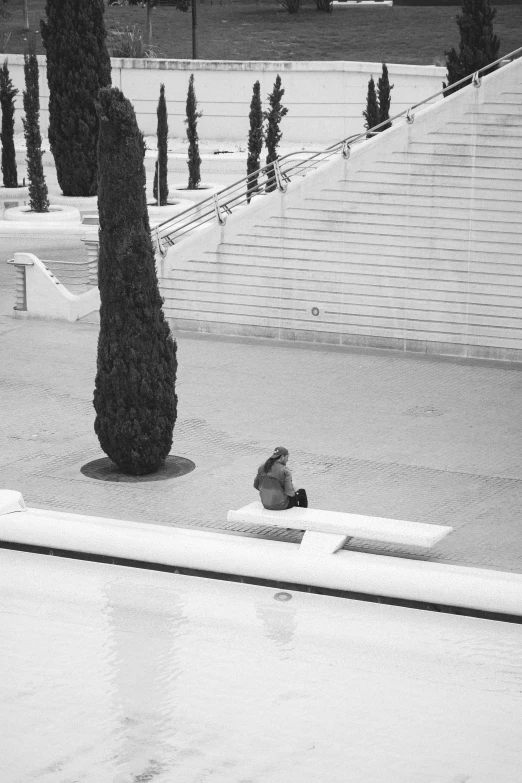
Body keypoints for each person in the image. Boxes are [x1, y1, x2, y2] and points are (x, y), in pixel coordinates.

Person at [254, 446, 308, 511]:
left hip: (266, 504)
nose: (287, 460)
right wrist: (293, 489)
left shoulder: (262, 467)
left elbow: (256, 485)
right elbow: (289, 493)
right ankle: (302, 515)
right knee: (301, 492)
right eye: (287, 457)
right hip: (280, 505)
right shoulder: (285, 470)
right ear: (282, 457)